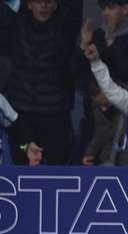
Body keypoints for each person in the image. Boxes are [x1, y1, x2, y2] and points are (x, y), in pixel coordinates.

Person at [1, 0, 83, 165]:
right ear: (28, 4)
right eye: (38, 1)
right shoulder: (15, 27)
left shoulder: (65, 29)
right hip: (21, 121)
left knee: (59, 173)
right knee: (22, 170)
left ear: (56, 5)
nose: (43, 6)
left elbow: (73, 8)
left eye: (48, 1)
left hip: (56, 118)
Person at [79, 0, 128, 86]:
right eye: (103, 8)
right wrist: (84, 44)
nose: (105, 13)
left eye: (111, 7)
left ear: (125, 9)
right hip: (94, 94)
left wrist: (111, 42)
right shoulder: (98, 35)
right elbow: (78, 72)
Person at [81, 80, 128, 166]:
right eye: (96, 95)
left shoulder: (125, 103)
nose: (102, 96)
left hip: (127, 155)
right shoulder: (97, 110)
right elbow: (98, 134)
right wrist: (89, 154)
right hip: (109, 156)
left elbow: (122, 133)